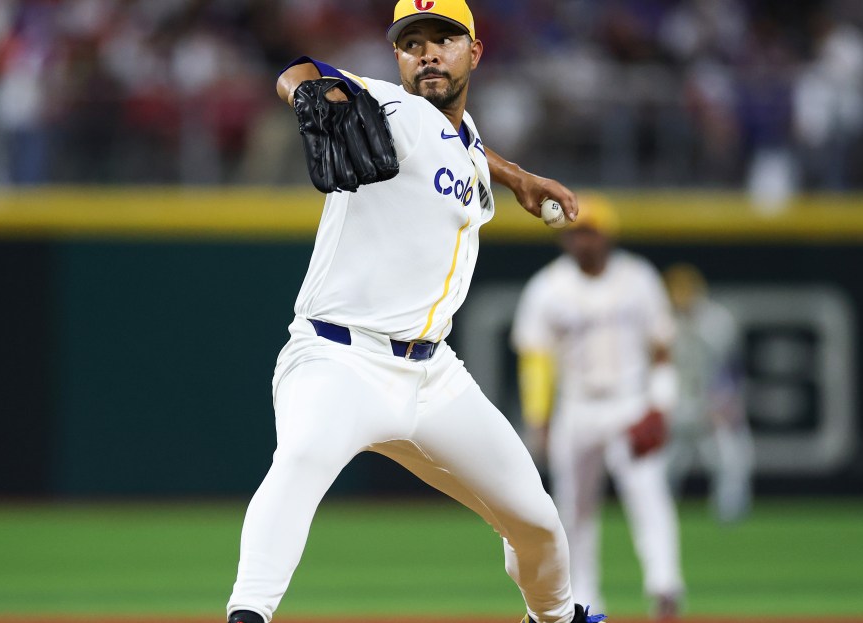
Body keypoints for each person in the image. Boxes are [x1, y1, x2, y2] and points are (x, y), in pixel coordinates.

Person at [226, 3, 605, 623]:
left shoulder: (464, 134)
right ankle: (247, 614)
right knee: (299, 463)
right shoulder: (383, 103)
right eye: (413, 43)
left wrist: (515, 176)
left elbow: (463, 149)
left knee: (535, 522)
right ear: (397, 58)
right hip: (338, 358)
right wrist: (307, 95)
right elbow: (299, 70)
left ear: (474, 53)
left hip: (434, 377)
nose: (428, 52)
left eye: (445, 39)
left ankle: (556, 618)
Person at [511, 202, 684, 620]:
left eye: (591, 231)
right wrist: (540, 417)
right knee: (574, 510)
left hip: (631, 403)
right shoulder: (547, 287)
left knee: (648, 497)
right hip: (577, 407)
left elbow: (661, 346)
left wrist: (660, 405)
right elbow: (536, 359)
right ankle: (585, 602)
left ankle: (665, 588)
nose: (583, 239)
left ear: (608, 235)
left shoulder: (638, 278)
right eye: (577, 232)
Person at [660, 263, 753, 524]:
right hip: (675, 406)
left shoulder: (717, 321)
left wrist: (726, 402)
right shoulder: (660, 321)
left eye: (686, 290)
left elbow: (732, 368)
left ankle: (730, 521)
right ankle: (660, 518)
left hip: (711, 403)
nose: (682, 296)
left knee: (733, 460)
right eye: (676, 290)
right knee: (661, 471)